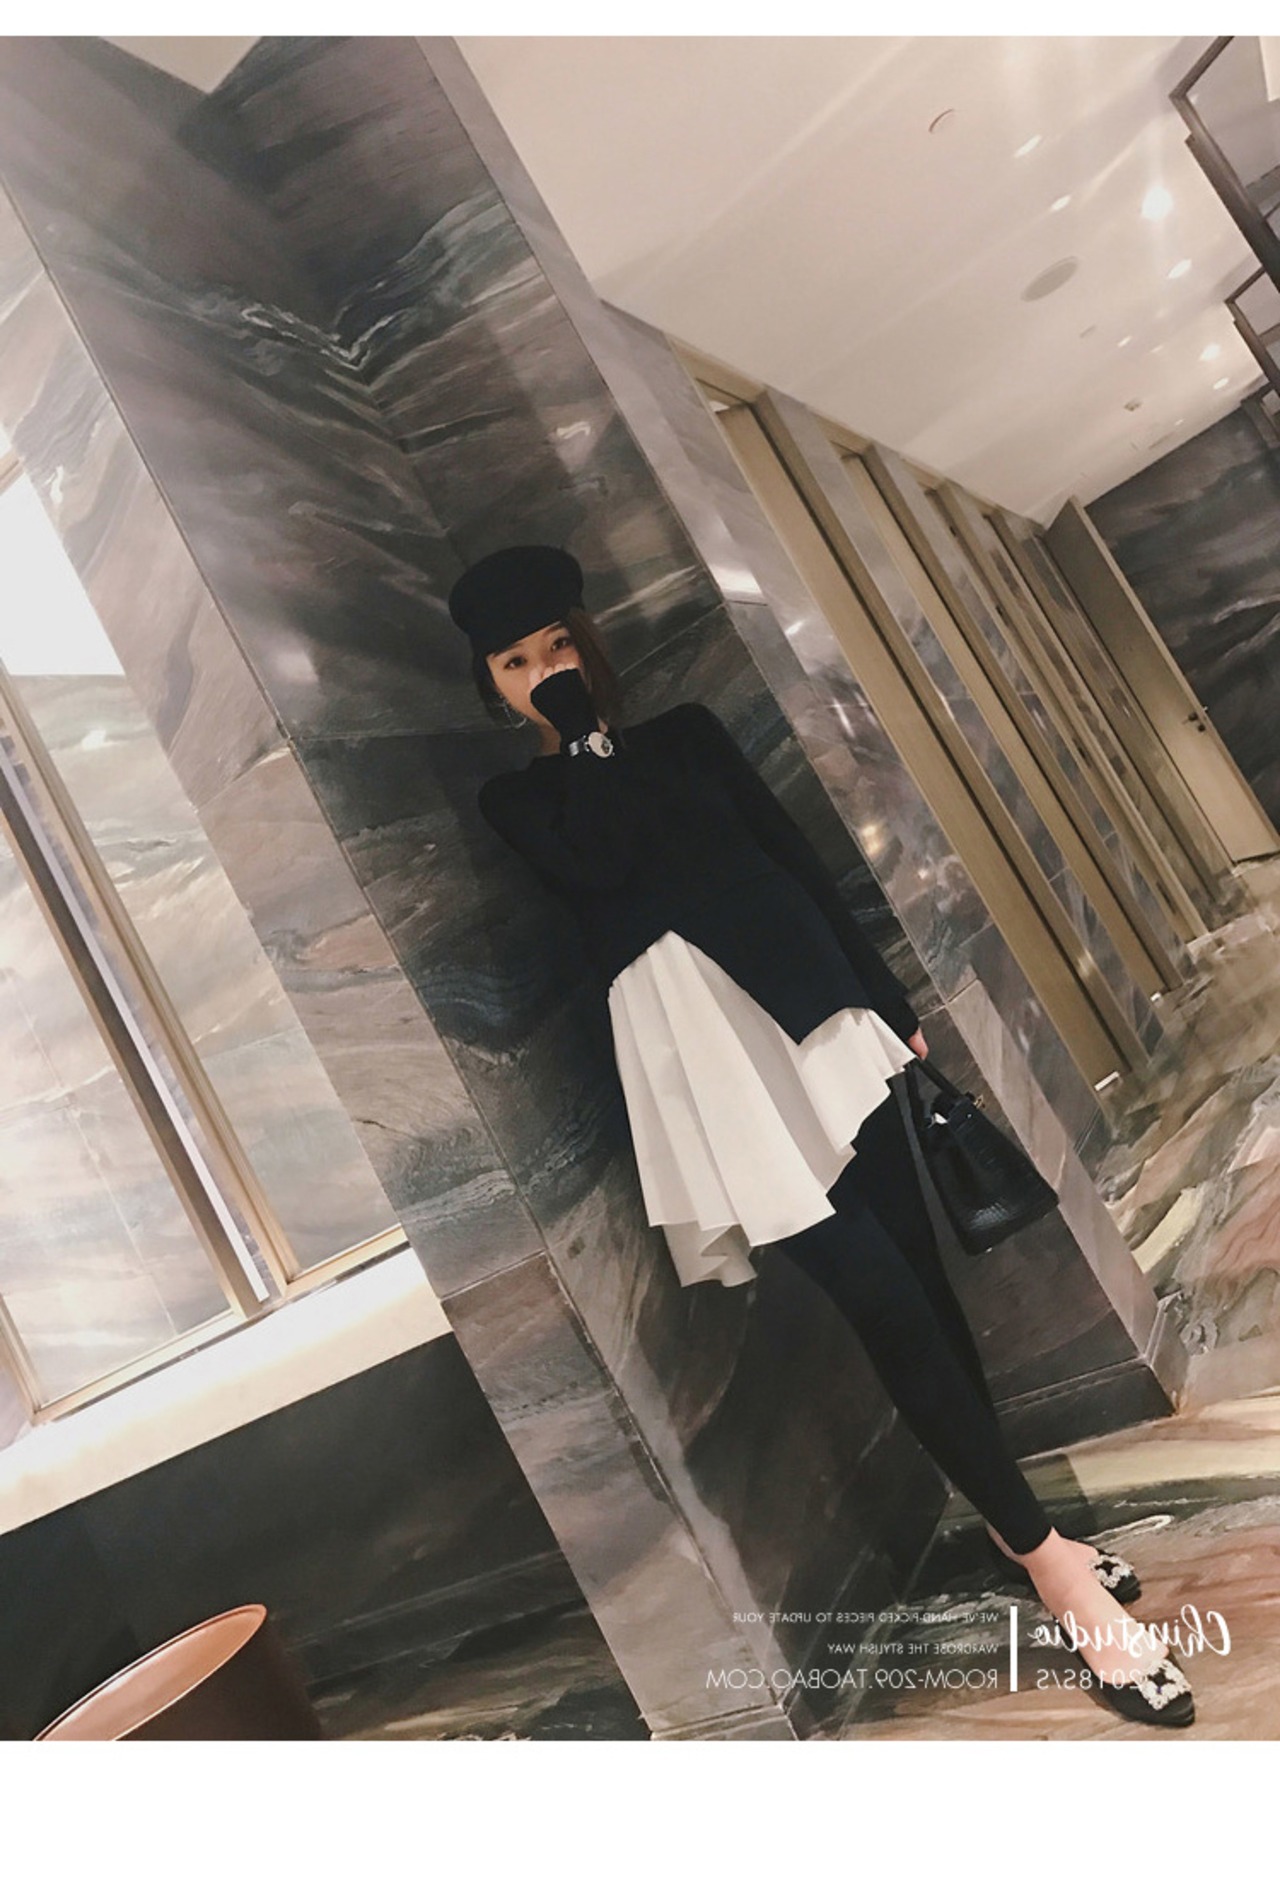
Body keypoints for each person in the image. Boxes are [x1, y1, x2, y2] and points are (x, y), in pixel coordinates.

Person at [453, 543, 1194, 1731]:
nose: (547, 670)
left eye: (558, 645)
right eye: (516, 662)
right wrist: (580, 736)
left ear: (587, 639)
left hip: (816, 1018)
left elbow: (790, 855)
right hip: (707, 1063)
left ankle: (1024, 1534)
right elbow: (601, 861)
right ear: (491, 685)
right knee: (879, 1299)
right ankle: (1058, 1571)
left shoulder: (688, 733)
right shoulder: (522, 801)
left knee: (924, 1286)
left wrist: (883, 1000)